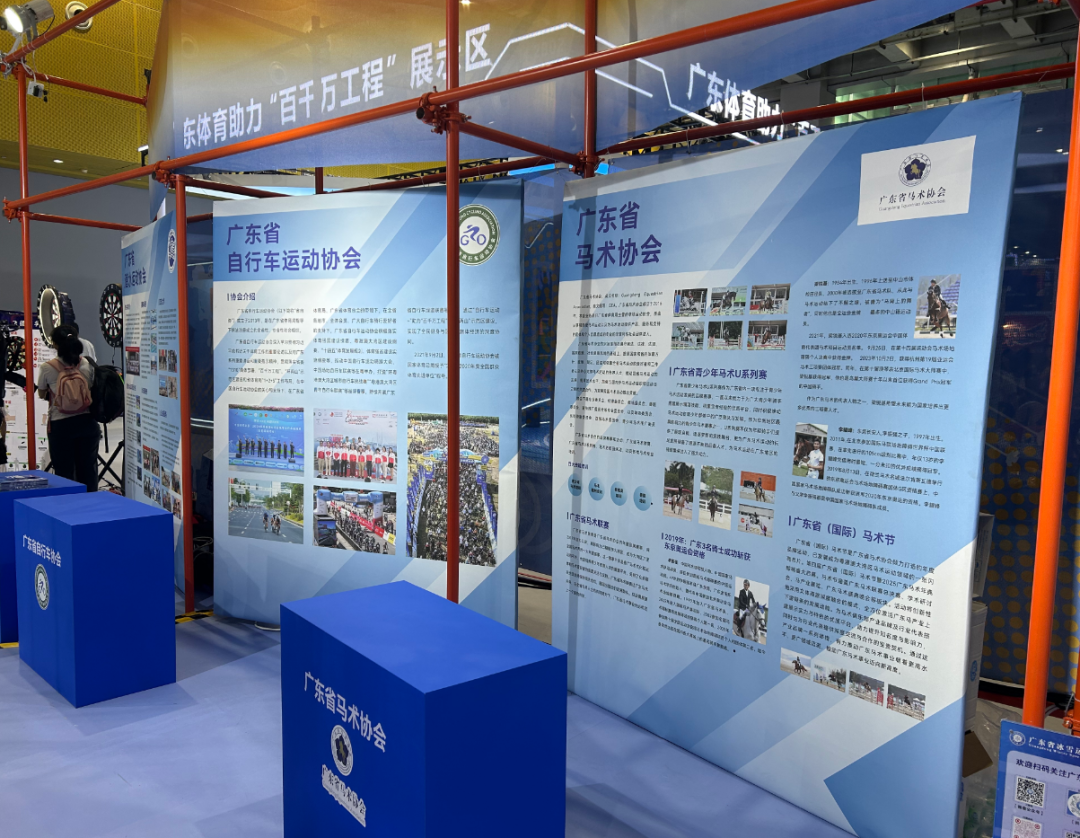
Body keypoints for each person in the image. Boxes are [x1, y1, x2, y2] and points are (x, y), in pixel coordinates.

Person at [37, 327, 98, 491]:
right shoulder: (86, 364)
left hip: (61, 425)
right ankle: (92, 503)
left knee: (64, 472)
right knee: (88, 471)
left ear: (55, 344)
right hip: (88, 423)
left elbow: (42, 394)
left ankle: (68, 505)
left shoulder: (47, 367)